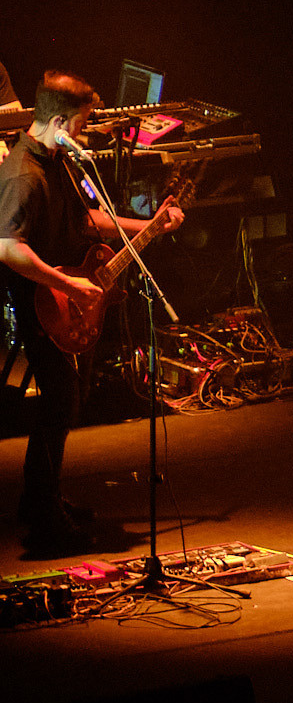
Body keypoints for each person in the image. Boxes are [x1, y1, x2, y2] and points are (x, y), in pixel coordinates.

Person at [0, 71, 184, 556]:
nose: (84, 135)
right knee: (60, 402)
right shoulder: (23, 174)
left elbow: (89, 220)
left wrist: (148, 224)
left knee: (66, 401)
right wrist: (66, 284)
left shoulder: (56, 161)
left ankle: (40, 500)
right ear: (61, 122)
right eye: (81, 125)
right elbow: (7, 248)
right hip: (42, 303)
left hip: (63, 295)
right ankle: (44, 520)